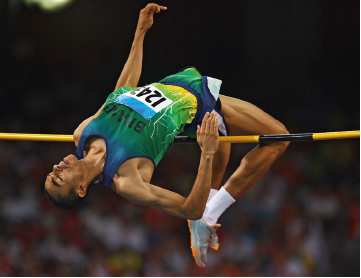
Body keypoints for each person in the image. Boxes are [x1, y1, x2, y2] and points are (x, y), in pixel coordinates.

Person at [44, 3, 289, 268]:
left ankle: (206, 217)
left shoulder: (82, 133)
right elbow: (188, 208)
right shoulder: (126, 180)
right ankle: (210, 214)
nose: (56, 168)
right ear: (81, 189)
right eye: (58, 179)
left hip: (173, 82)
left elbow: (121, 90)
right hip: (197, 102)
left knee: (225, 140)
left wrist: (139, 33)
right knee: (279, 137)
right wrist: (205, 154)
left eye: (51, 172)